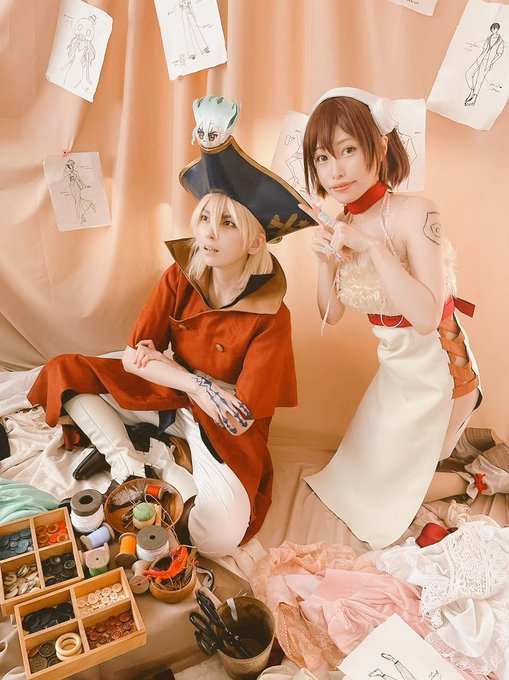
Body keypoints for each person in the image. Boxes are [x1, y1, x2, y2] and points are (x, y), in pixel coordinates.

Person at [27, 96, 315, 559]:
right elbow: (134, 356)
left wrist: (176, 374)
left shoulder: (272, 318)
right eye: (205, 218)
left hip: (220, 429)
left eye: (227, 223)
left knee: (218, 538)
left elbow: (239, 414)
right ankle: (129, 465)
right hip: (173, 393)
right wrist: (192, 382)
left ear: (254, 239)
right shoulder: (179, 277)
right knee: (65, 371)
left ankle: (165, 457)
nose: (208, 233)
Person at [299, 87, 482, 550]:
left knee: (389, 500)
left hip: (439, 369)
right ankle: (462, 464)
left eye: (347, 150)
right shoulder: (342, 222)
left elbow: (425, 317)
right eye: (322, 158)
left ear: (378, 147)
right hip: (395, 368)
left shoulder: (417, 211)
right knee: (349, 482)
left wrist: (375, 249)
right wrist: (324, 262)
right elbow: (330, 315)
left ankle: (476, 479)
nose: (335, 171)